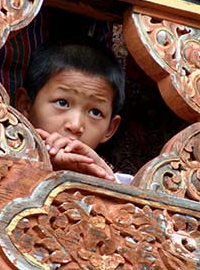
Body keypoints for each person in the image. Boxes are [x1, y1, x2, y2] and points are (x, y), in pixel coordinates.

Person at [16, 39, 132, 184]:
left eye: (95, 112)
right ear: (25, 105)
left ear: (110, 128)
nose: (76, 125)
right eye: (62, 103)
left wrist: (104, 184)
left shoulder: (120, 184)